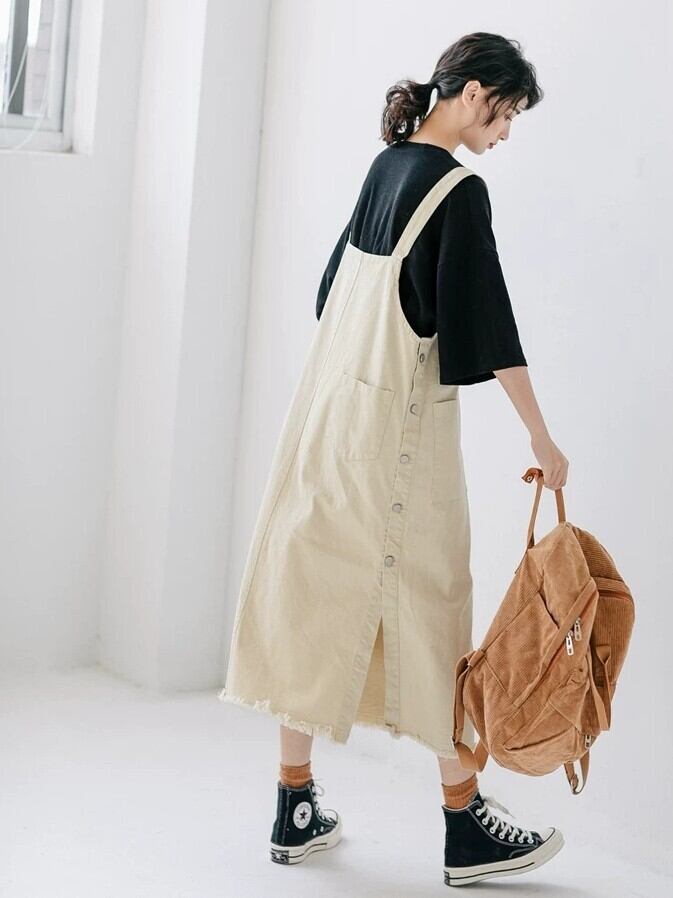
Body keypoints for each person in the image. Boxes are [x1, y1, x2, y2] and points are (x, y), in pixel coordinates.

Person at [219, 32, 570, 885]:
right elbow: (490, 328)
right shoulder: (456, 191)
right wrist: (540, 436)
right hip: (399, 440)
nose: (504, 133)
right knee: (435, 608)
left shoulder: (387, 168)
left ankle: (294, 804)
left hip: (327, 424)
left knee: (312, 596)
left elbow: (328, 295)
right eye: (506, 113)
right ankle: (463, 824)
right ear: (473, 92)